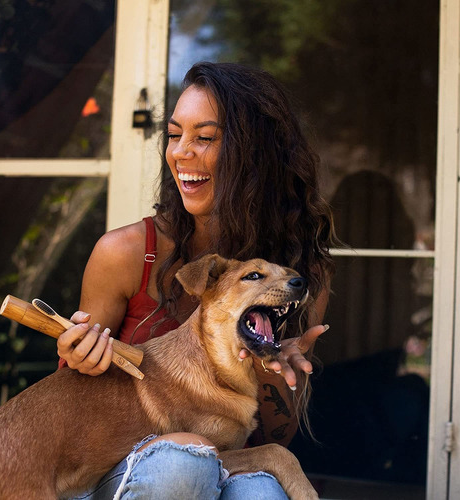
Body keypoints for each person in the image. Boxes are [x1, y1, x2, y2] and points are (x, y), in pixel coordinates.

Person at [57, 61, 335, 499]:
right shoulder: (127, 253)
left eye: (204, 138)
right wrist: (80, 359)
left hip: (229, 461)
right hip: (115, 471)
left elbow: (272, 441)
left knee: (263, 494)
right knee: (180, 466)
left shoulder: (298, 278)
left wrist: (271, 369)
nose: (180, 152)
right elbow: (68, 420)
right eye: (173, 134)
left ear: (257, 155)